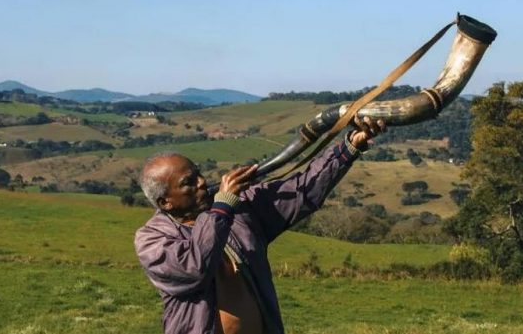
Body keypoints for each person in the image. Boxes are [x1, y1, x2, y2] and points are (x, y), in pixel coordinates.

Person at [134, 117, 385, 334]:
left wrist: (350, 146)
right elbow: (196, 268)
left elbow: (301, 191)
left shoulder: (239, 210)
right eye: (189, 182)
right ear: (165, 202)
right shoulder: (151, 241)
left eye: (199, 174)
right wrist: (222, 206)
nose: (202, 182)